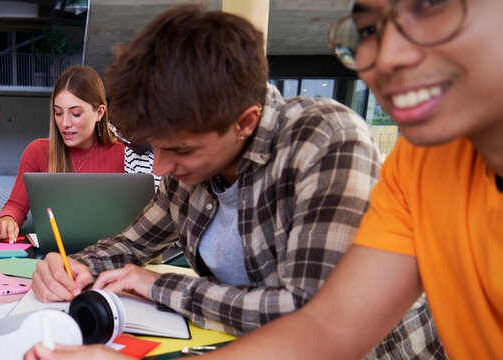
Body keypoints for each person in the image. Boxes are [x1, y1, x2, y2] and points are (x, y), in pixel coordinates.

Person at [26, 5, 443, 359]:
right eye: (157, 147)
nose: (162, 168)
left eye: (182, 151)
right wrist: (79, 265)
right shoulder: (189, 159)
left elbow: (312, 316)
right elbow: (135, 241)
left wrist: (160, 285)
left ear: (244, 122)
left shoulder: (326, 140)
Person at [0, 65, 125, 243]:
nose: (65, 123)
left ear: (99, 113)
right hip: (53, 256)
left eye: (76, 113)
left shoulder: (124, 155)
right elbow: (16, 205)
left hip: (111, 255)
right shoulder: (37, 151)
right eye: (58, 112)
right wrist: (7, 218)